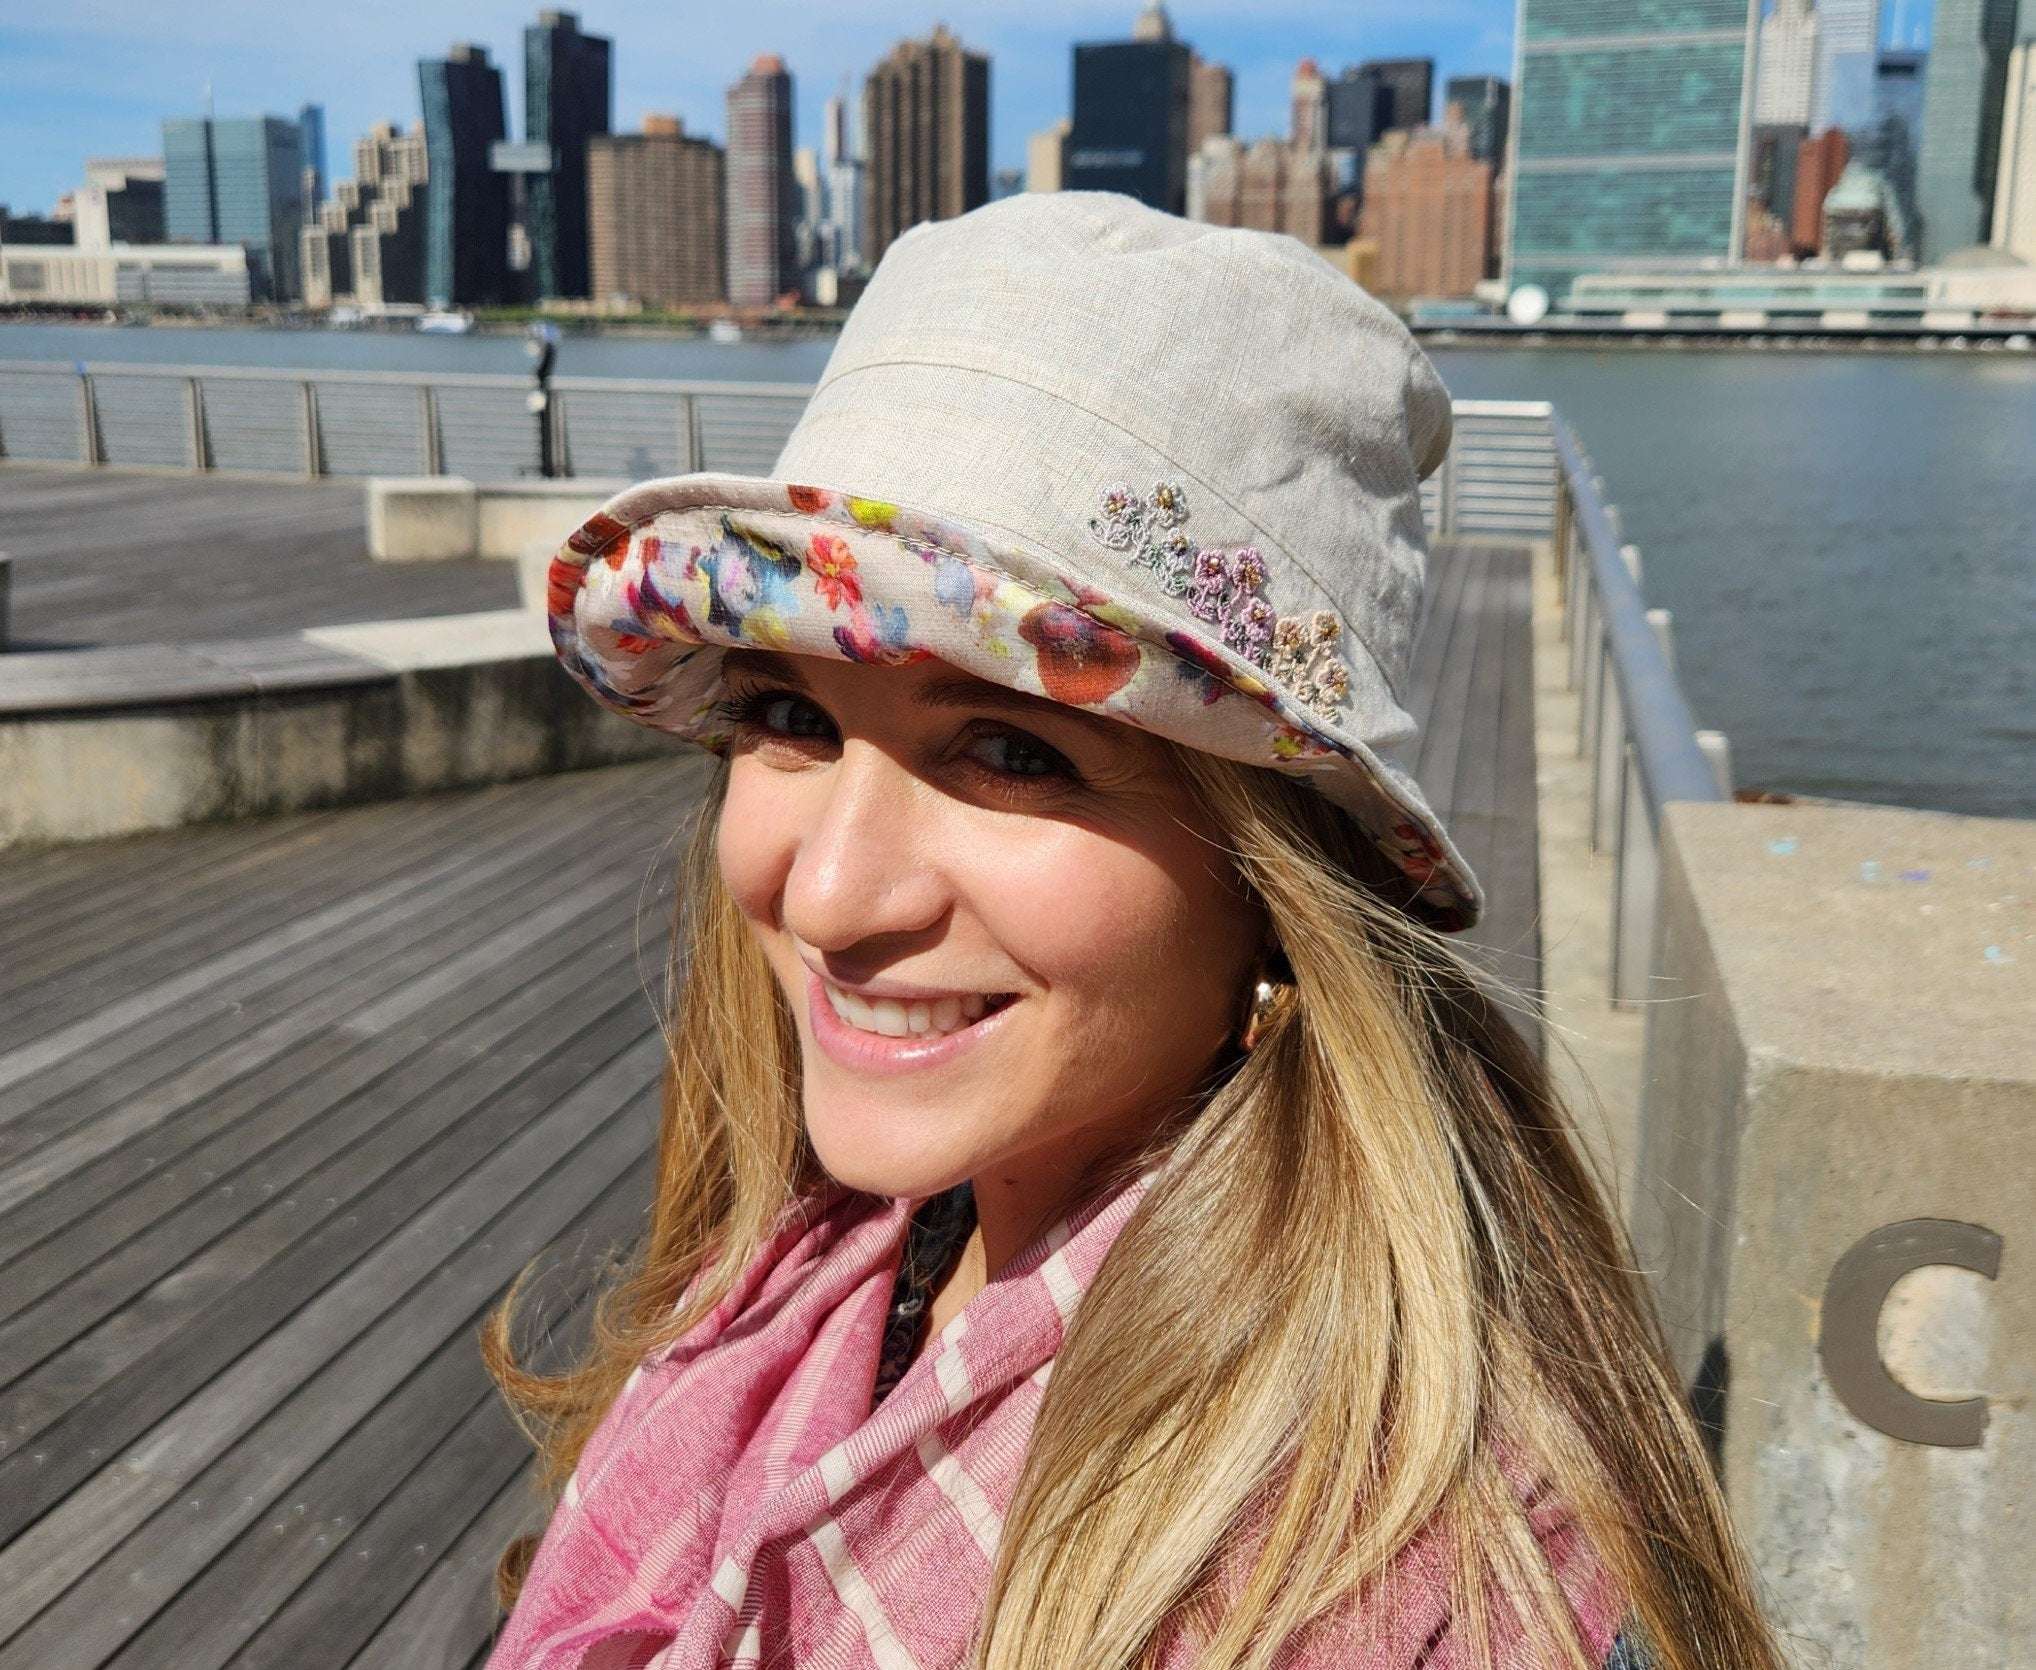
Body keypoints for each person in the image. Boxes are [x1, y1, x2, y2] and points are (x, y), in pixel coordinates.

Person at [480, 193, 1783, 1670]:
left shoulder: (1421, 1592)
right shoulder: (839, 1273)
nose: (830, 896)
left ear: (1278, 879)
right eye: (792, 715)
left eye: (1012, 751)